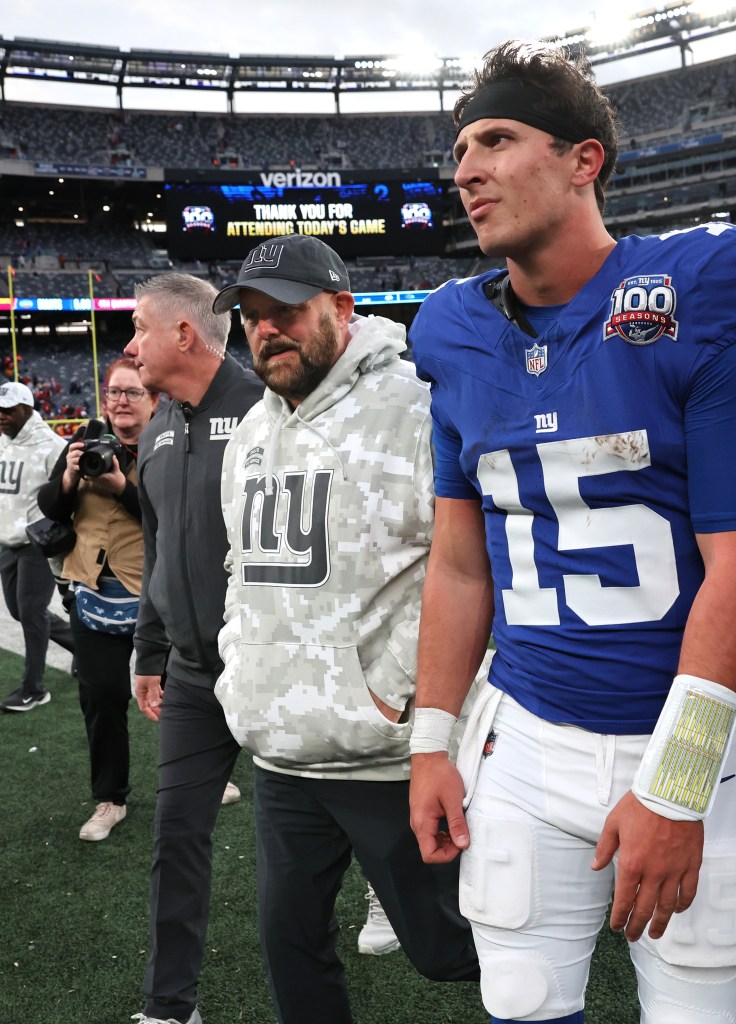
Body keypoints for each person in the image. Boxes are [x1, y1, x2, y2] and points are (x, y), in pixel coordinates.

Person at [406, 41, 736, 1024]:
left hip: (684, 741)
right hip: (527, 743)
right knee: (524, 1004)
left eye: (496, 138)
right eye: (459, 148)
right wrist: (433, 740)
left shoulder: (691, 292)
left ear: (585, 160)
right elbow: (457, 565)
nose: (466, 169)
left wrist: (675, 788)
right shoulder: (452, 335)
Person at [211, 234, 479, 1024]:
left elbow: (466, 567)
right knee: (289, 944)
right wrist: (241, 672)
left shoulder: (417, 404)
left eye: (285, 312)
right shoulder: (252, 432)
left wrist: (400, 694)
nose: (267, 330)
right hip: (283, 749)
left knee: (449, 948)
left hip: (385, 752)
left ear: (340, 307)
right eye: (252, 317)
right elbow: (241, 569)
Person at [124, 273, 263, 1024]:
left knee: (304, 850)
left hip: (271, 666)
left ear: (184, 334)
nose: (129, 343)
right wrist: (150, 651)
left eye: (140, 326)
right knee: (176, 837)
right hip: (187, 673)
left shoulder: (267, 409)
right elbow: (157, 549)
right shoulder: (159, 426)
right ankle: (168, 1006)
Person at [37, 357, 159, 841]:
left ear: (154, 397)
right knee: (101, 695)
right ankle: (111, 799)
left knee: (178, 695)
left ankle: (200, 780)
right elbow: (50, 506)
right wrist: (69, 478)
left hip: (154, 592)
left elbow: (173, 515)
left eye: (132, 392)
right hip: (90, 589)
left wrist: (121, 489)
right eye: (113, 392)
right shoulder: (83, 442)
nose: (121, 402)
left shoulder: (168, 444)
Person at [0, 380, 74, 711]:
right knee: (20, 611)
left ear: (27, 410)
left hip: (36, 543)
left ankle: (34, 688)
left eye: (8, 410)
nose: (1, 416)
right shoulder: (4, 443)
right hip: (7, 541)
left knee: (30, 611)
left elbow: (66, 496)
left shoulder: (52, 445)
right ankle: (81, 646)